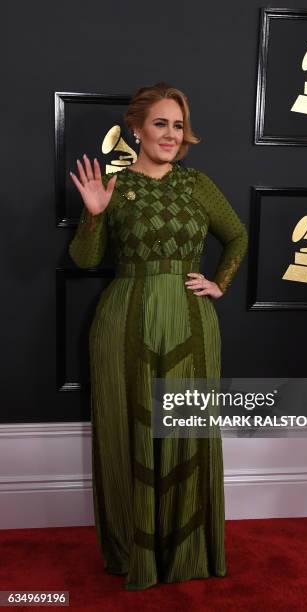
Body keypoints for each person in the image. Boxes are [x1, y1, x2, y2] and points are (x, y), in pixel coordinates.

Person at [68, 82, 248, 591]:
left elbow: (237, 234)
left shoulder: (198, 185)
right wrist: (93, 215)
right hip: (124, 319)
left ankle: (188, 552)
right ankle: (134, 554)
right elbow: (85, 260)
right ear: (137, 128)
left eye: (177, 124)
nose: (170, 134)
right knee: (128, 431)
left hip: (190, 319)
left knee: (186, 428)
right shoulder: (115, 185)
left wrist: (220, 282)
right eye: (160, 124)